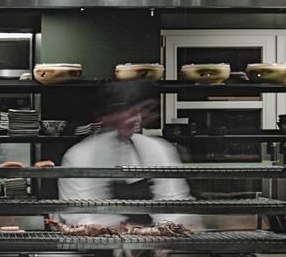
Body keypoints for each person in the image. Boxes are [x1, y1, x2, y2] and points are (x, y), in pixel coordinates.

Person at [57, 81, 198, 230]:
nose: (135, 118)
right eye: (128, 112)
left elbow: (175, 203)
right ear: (104, 117)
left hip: (153, 239)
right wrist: (121, 234)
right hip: (101, 241)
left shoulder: (157, 149)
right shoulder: (79, 156)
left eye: (141, 111)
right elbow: (82, 215)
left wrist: (164, 231)